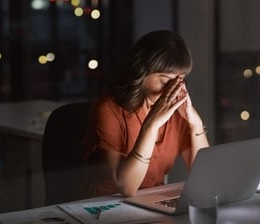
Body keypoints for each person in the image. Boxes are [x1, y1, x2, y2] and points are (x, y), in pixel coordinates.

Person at [81, 30, 210, 198]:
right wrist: (152, 125)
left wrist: (195, 124)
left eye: (180, 80)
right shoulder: (108, 109)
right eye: (165, 80)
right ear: (141, 73)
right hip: (105, 205)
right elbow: (126, 188)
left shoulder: (178, 113)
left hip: (150, 201)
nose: (174, 89)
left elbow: (205, 176)